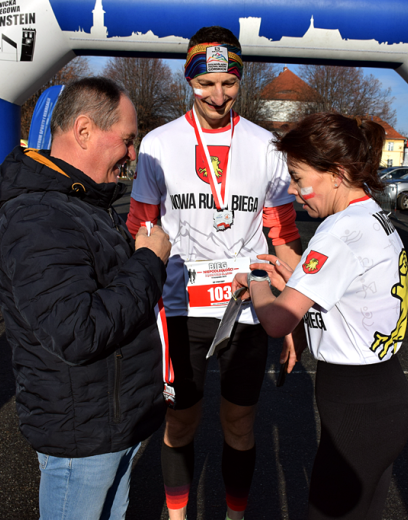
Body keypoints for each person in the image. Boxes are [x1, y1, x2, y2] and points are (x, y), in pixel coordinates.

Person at [126, 26, 303, 520]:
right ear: (188, 78)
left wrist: (299, 308)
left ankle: (235, 515)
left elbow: (283, 235)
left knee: (239, 424)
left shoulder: (268, 145)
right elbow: (141, 228)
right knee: (180, 423)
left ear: (240, 80)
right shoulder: (158, 144)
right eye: (206, 83)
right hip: (182, 305)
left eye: (229, 83)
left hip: (246, 305)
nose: (218, 95)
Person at [0, 77, 172, 520]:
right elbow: (77, 330)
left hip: (111, 425)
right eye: (127, 141)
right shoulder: (37, 215)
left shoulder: (81, 204)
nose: (132, 155)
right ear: (85, 130)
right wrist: (149, 262)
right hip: (82, 437)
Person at [233, 113, 408, 520]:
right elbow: (347, 292)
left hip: (358, 406)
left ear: (336, 173)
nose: (296, 192)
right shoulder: (369, 214)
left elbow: (278, 322)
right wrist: (294, 282)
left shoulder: (338, 232)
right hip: (381, 394)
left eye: (299, 178)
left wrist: (257, 280)